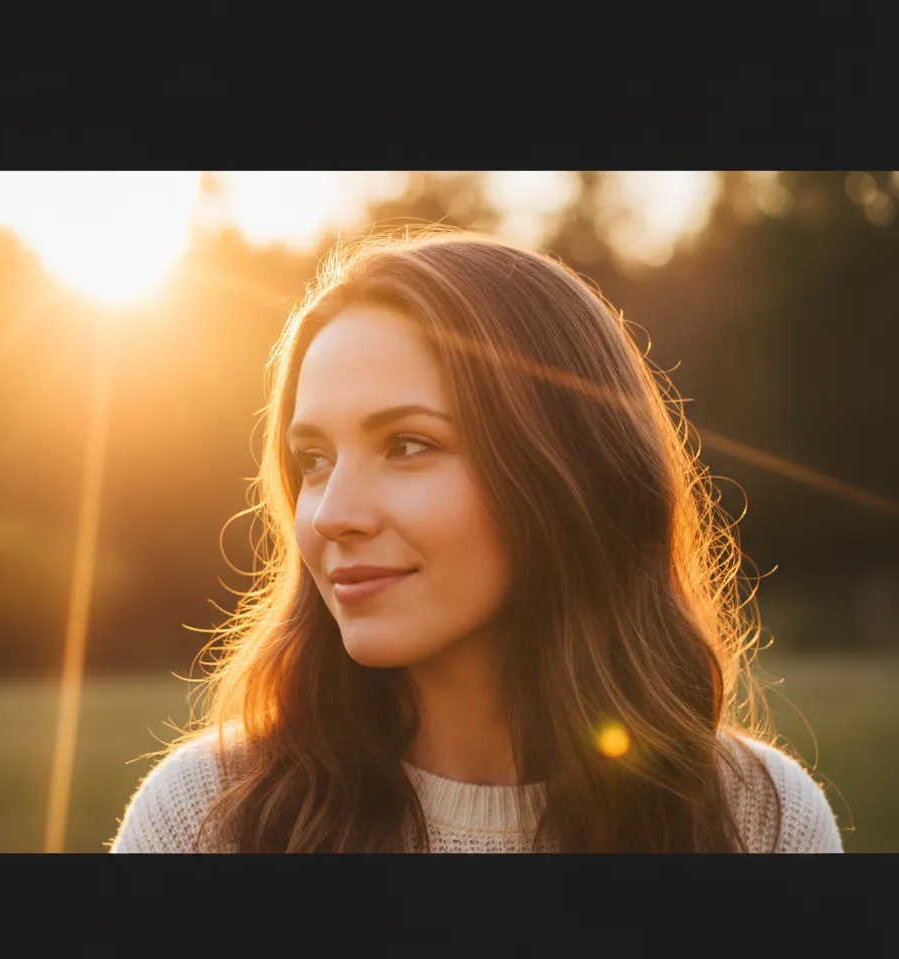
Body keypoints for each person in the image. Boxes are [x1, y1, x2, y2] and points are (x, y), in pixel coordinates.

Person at [110, 229, 844, 854]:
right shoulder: (207, 818)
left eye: (406, 444)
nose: (333, 514)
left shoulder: (758, 820)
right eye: (314, 461)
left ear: (566, 471)